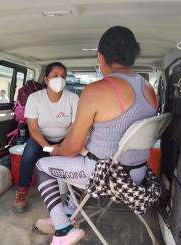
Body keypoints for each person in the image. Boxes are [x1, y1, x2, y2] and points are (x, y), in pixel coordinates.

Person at [35, 26, 158, 244]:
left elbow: (71, 148)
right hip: (138, 175)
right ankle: (70, 211)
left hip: (105, 176)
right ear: (132, 54)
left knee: (45, 165)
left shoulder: (96, 90)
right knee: (77, 159)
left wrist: (57, 149)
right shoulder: (149, 89)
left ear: (101, 57)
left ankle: (63, 230)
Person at [12, 62, 79, 213]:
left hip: (65, 139)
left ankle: (75, 193)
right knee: (29, 152)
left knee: (78, 153)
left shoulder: (73, 98)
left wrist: (63, 146)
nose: (59, 79)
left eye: (63, 76)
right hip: (40, 139)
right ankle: (22, 191)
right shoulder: (35, 98)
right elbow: (33, 130)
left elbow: (75, 128)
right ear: (46, 80)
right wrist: (49, 148)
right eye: (55, 76)